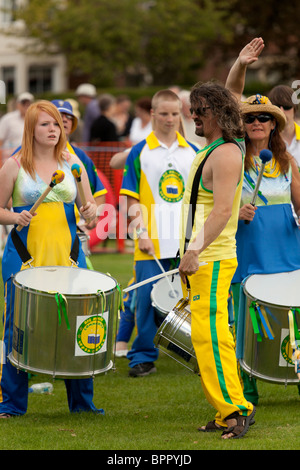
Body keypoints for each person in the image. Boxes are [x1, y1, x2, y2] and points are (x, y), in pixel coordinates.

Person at [0, 101, 103, 418]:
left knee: (77, 327)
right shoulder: (14, 165)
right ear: (30, 128)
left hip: (68, 257)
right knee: (18, 330)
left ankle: (82, 404)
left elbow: (91, 212)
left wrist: (90, 213)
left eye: (57, 124)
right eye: (45, 124)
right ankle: (13, 403)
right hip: (25, 257)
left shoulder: (73, 163)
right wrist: (15, 216)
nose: (53, 130)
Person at [178, 80, 255, 440]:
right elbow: (231, 95)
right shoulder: (217, 147)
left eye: (200, 110)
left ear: (218, 114)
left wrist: (194, 250)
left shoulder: (226, 152)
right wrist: (239, 65)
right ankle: (229, 409)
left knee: (208, 336)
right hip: (206, 257)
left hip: (211, 258)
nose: (193, 115)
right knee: (213, 335)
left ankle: (235, 411)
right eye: (193, 108)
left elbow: (224, 210)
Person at [226, 38, 300, 405]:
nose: (257, 122)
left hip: (288, 258)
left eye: (264, 117)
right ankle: (248, 390)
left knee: (296, 324)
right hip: (249, 258)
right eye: (250, 117)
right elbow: (228, 98)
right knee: (248, 328)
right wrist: (240, 65)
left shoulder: (286, 163)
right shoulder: (232, 156)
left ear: (274, 124)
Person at [119, 89, 198, 377]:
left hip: (185, 241)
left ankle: (190, 349)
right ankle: (142, 356)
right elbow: (130, 198)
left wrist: (196, 240)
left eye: (175, 113)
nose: (170, 119)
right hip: (149, 239)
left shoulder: (193, 151)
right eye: (164, 113)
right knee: (144, 301)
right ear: (152, 114)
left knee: (190, 299)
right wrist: (139, 232)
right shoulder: (140, 151)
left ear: (182, 115)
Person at [51, 99, 107, 223]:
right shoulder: (25, 152)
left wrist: (93, 217)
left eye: (69, 117)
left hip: (73, 230)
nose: (64, 119)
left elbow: (99, 192)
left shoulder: (80, 156)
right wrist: (16, 212)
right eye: (59, 116)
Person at [268, 85, 300, 167]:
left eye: (286, 106)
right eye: (277, 107)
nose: (282, 111)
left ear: (295, 108)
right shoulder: (265, 140)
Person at [0, 92, 34, 162]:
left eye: (28, 103)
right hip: (9, 158)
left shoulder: (35, 119)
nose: (26, 106)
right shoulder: (8, 119)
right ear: (18, 105)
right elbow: (1, 140)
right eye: (23, 103)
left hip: (28, 159)